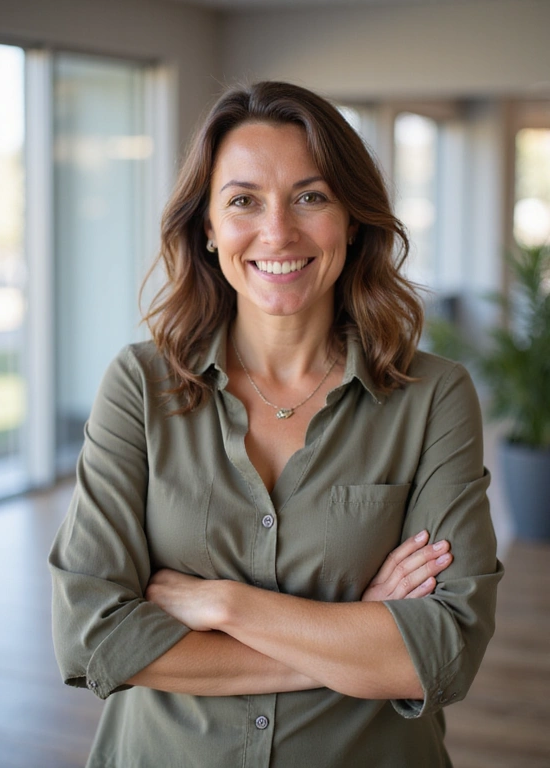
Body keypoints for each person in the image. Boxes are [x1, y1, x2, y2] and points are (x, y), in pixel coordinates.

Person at [49, 80, 503, 768]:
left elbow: (443, 653)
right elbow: (92, 638)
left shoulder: (433, 396)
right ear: (207, 227)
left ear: (352, 220)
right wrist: (357, 634)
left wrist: (226, 606)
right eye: (244, 201)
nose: (279, 232)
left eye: (310, 197)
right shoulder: (139, 385)